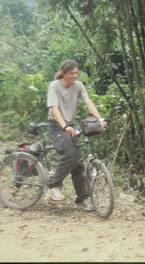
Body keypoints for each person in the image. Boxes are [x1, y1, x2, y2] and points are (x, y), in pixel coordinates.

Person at [45, 59, 107, 211]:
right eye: (71, 73)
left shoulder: (78, 86)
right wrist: (64, 125)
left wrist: (99, 120)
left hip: (70, 127)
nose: (74, 76)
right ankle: (53, 186)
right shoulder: (55, 86)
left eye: (76, 73)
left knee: (79, 163)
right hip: (56, 126)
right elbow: (53, 108)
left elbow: (88, 102)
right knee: (71, 154)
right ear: (64, 73)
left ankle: (82, 199)